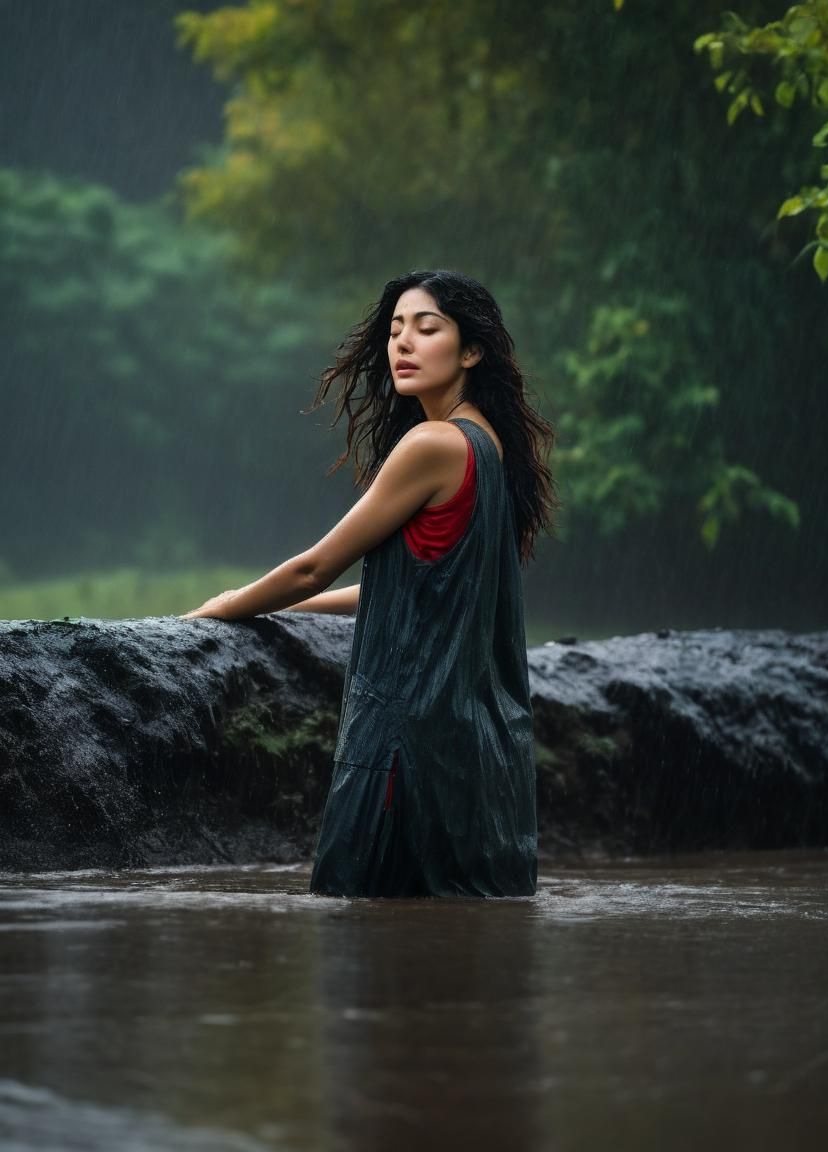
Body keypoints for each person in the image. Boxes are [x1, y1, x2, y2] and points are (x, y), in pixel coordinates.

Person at [181, 268, 558, 897]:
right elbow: (410, 590)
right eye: (394, 330)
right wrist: (294, 614)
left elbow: (314, 566)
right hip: (474, 757)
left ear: (471, 350)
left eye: (426, 327)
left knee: (360, 934)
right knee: (451, 961)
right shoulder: (488, 447)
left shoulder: (433, 444)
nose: (403, 343)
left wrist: (221, 607)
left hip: (405, 745)